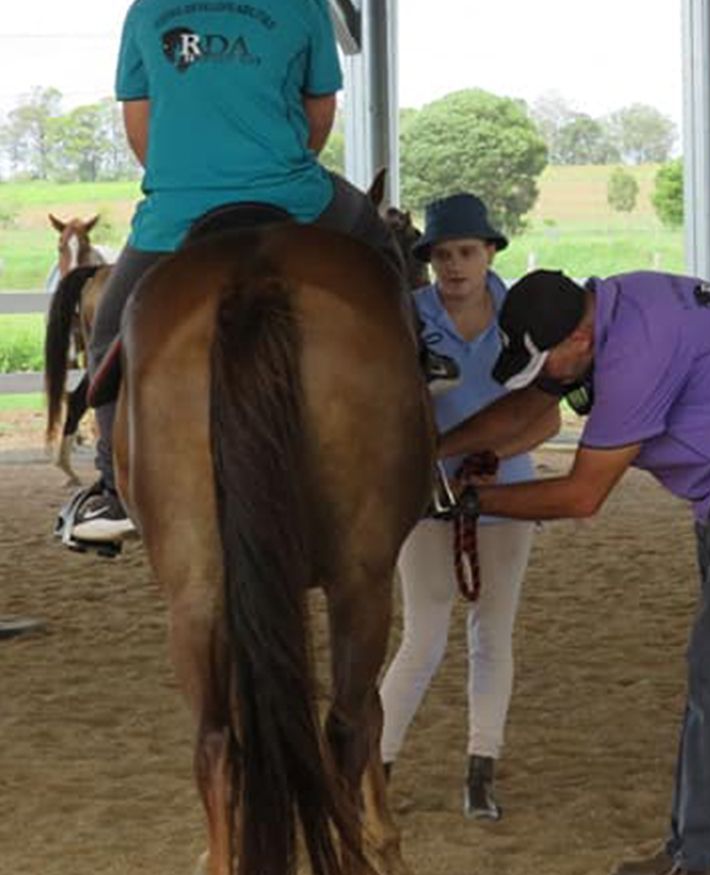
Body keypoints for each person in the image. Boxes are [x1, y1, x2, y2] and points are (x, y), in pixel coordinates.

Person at [435, 269, 710, 875]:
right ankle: (697, 842)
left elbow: (581, 495)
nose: (550, 376)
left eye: (551, 363)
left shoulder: (636, 353)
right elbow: (531, 404)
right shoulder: (600, 315)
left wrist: (471, 501)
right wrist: (435, 453)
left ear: (578, 335)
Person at [65, 0, 455, 545]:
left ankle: (111, 488)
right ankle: (420, 358)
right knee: (377, 238)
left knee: (108, 331)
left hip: (177, 211)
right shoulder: (305, 6)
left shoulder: (146, 10)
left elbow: (139, 126)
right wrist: (273, 169)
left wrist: (189, 177)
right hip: (290, 194)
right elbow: (319, 113)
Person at [377, 195, 552, 821]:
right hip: (426, 496)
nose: (455, 267)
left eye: (467, 253)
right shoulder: (408, 316)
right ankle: (376, 766)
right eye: (444, 255)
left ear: (490, 253)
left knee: (492, 634)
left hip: (507, 494)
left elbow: (544, 416)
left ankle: (483, 767)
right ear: (429, 260)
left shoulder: (522, 318)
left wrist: (489, 454)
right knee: (422, 635)